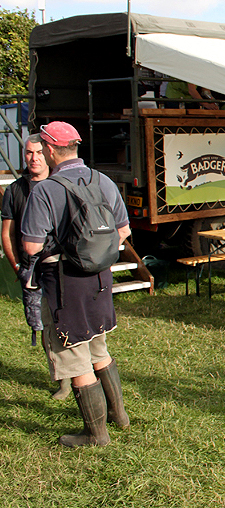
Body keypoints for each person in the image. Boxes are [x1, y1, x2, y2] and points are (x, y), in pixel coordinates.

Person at [20, 122, 132, 447]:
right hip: (100, 280)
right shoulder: (104, 181)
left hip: (64, 285)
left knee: (75, 357)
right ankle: (119, 415)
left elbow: (30, 246)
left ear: (51, 150)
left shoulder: (46, 190)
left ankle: (96, 435)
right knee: (99, 349)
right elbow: (122, 231)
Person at [1, 134, 72, 400]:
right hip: (31, 270)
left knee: (64, 320)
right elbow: (7, 232)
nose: (33, 158)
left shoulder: (59, 186)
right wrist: (18, 266)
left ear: (49, 154)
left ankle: (79, 372)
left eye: (39, 153)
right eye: (29, 153)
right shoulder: (15, 190)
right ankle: (62, 379)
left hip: (60, 268)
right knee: (42, 326)